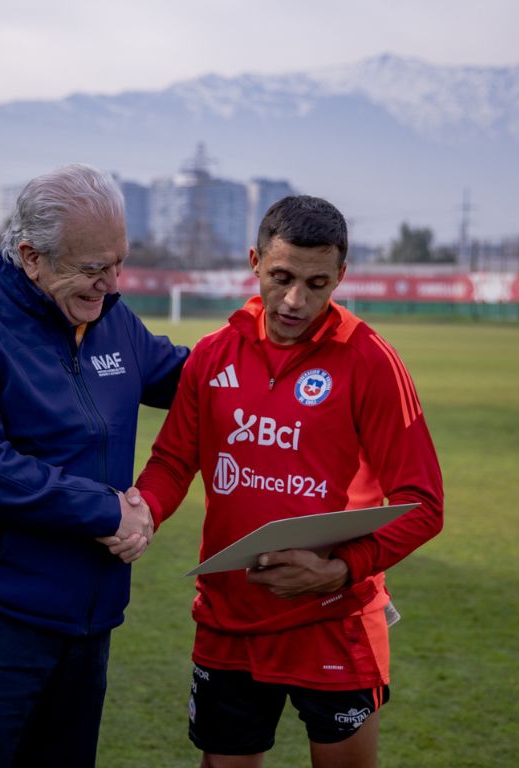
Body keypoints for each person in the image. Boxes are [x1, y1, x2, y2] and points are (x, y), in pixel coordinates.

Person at [135, 195, 444, 768]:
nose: (296, 300)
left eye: (317, 283)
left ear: (341, 277)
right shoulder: (211, 355)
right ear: (254, 261)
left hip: (335, 621)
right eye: (281, 278)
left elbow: (422, 503)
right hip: (229, 619)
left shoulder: (372, 362)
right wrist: (141, 511)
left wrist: (337, 569)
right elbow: (174, 462)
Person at [0, 164, 188, 768]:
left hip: (88, 627)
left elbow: (198, 382)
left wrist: (274, 346)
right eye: (92, 268)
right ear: (31, 256)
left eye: (118, 263)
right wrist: (105, 509)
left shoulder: (113, 319)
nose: (111, 284)